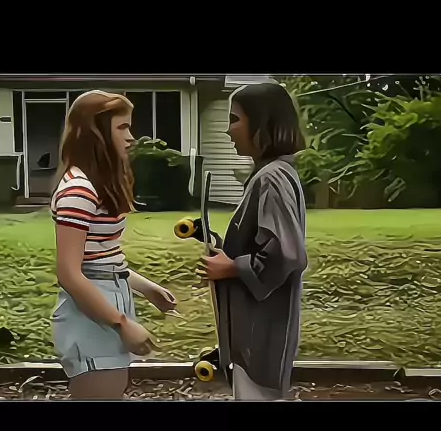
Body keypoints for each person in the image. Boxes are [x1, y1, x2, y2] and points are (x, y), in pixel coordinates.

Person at [51, 90, 177, 400]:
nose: (131, 137)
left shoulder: (94, 186)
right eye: (122, 127)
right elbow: (70, 274)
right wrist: (121, 323)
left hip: (106, 302)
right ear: (95, 133)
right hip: (92, 312)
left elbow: (101, 258)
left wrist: (147, 289)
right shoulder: (79, 191)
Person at [199, 82, 307, 401]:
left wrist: (232, 268)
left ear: (262, 123)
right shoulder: (274, 173)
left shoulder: (271, 178)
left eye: (234, 119)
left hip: (261, 331)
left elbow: (286, 254)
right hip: (256, 329)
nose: (228, 131)